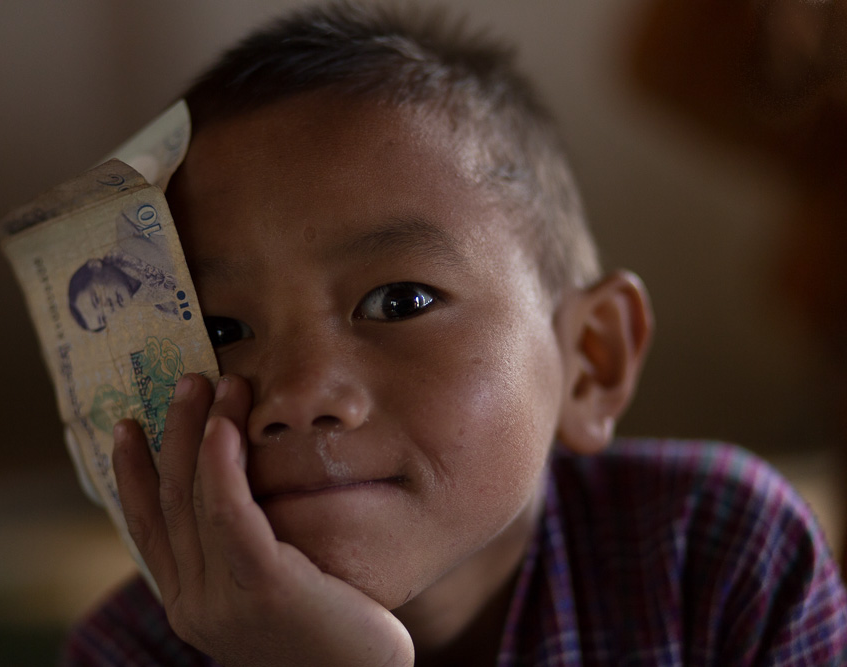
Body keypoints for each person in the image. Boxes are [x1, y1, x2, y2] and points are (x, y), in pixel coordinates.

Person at [61, 3, 847, 665]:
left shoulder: (719, 556)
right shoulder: (129, 650)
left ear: (590, 361)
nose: (298, 393)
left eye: (399, 300)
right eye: (223, 327)